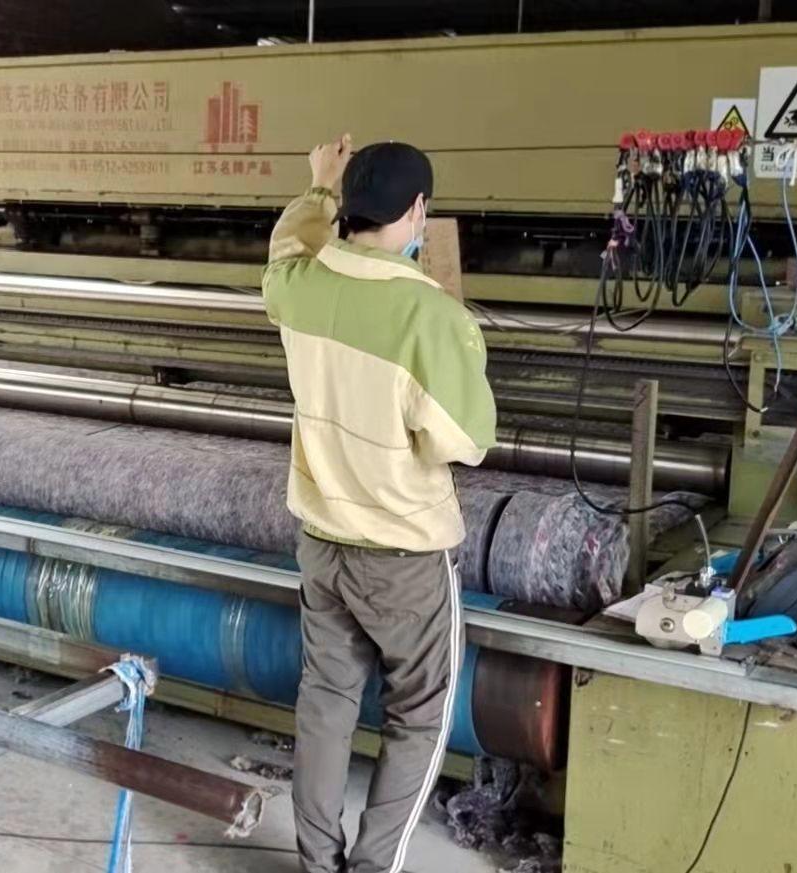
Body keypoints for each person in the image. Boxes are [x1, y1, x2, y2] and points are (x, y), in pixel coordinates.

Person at [263, 134, 498, 873]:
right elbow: (466, 441)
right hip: (403, 558)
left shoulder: (298, 285)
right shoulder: (428, 315)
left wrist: (317, 186)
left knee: (326, 703)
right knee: (420, 716)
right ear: (418, 209)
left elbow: (284, 247)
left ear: (349, 205)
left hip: (322, 541)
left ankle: (317, 862)